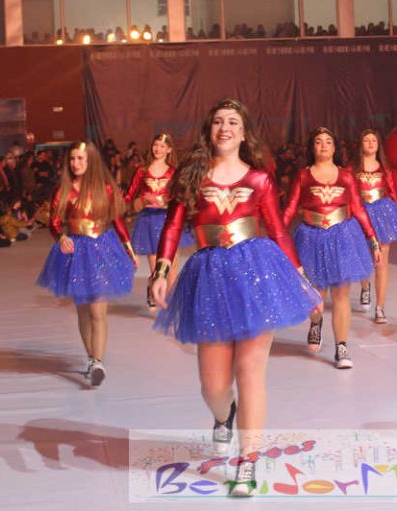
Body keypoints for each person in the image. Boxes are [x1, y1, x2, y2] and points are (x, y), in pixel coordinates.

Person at [150, 99, 321, 497]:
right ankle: (224, 414)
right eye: (217, 121)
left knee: (250, 370)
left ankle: (248, 460)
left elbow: (278, 231)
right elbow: (173, 226)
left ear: (244, 133)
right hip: (208, 277)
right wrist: (160, 270)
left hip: (255, 273)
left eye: (232, 122)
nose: (224, 127)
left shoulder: (260, 179)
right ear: (208, 130)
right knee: (213, 385)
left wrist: (302, 279)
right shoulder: (191, 177)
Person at [37, 141, 139, 388]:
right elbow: (54, 222)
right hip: (77, 252)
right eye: (72, 159)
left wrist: (129, 249)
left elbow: (117, 221)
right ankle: (92, 359)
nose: (76, 163)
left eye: (80, 158)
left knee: (97, 311)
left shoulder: (105, 189)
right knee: (83, 310)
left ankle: (98, 361)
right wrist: (60, 237)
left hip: (102, 249)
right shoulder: (64, 190)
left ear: (90, 160)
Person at [282, 127, 380, 370]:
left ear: (335, 147)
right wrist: (275, 238)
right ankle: (316, 322)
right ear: (312, 147)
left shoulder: (346, 176)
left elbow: (358, 208)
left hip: (342, 237)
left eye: (328, 141)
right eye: (318, 141)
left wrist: (372, 239)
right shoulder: (303, 176)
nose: (323, 145)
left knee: (341, 294)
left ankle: (341, 346)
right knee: (315, 295)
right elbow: (289, 209)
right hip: (311, 239)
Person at [123, 133, 192, 310]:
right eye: (156, 145)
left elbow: (182, 196)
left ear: (169, 149)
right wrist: (139, 202)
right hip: (149, 221)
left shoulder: (174, 171)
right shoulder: (142, 171)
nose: (158, 149)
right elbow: (129, 196)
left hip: (170, 220)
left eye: (162, 146)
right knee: (156, 269)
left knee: (172, 267)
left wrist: (167, 202)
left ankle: (170, 306)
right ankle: (152, 289)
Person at [352, 129, 397, 324]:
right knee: (363, 256)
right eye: (366, 140)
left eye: (374, 140)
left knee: (381, 261)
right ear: (361, 144)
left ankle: (380, 307)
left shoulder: (384, 169)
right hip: (360, 214)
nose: (371, 143)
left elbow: (394, 194)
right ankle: (365, 287)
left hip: (381, 214)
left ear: (378, 145)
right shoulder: (352, 169)